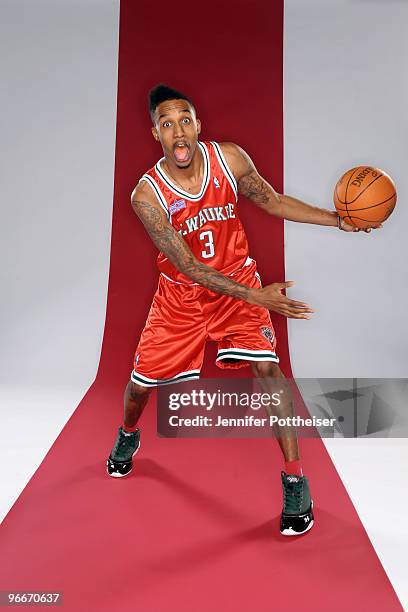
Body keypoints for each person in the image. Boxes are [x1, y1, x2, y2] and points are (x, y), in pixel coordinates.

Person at [106, 84, 381, 536]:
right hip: (182, 301)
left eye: (185, 120)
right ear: (155, 132)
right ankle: (128, 434)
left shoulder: (229, 159)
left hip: (239, 286)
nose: (178, 131)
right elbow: (189, 266)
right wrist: (259, 297)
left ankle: (295, 480)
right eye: (167, 123)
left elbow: (271, 201)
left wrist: (338, 219)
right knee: (138, 390)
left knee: (271, 373)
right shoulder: (148, 196)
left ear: (198, 124)